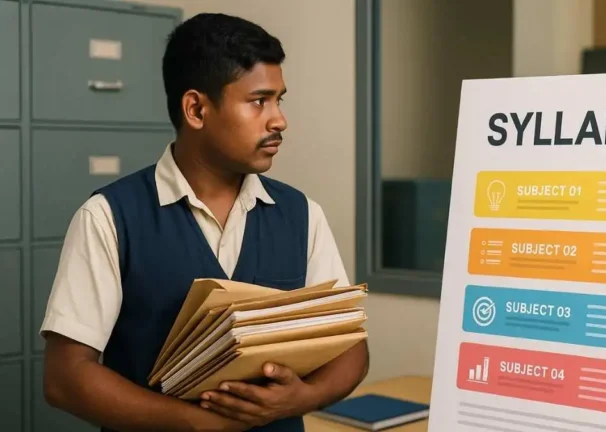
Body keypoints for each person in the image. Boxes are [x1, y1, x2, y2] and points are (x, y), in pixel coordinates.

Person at [39, 12, 369, 432]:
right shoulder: (108, 217)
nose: (278, 120)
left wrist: (303, 398)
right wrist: (196, 424)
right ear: (196, 108)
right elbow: (66, 378)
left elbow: (351, 348)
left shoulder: (303, 215)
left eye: (278, 100)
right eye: (258, 101)